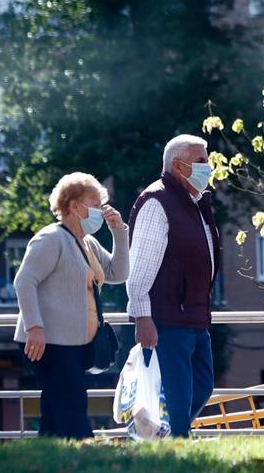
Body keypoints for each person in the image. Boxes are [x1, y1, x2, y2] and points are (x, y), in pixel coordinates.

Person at [14, 172, 129, 439]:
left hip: (76, 344)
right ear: (74, 206)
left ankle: (48, 456)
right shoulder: (51, 239)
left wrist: (119, 232)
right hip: (48, 342)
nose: (101, 210)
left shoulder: (87, 243)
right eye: (95, 203)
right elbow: (24, 281)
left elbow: (117, 273)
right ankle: (86, 457)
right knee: (74, 407)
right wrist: (34, 327)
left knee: (55, 416)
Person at [126, 134, 221, 438]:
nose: (209, 167)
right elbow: (140, 267)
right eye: (202, 161)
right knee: (178, 397)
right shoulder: (158, 201)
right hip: (167, 320)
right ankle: (175, 449)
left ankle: (159, 433)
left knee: (202, 386)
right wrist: (142, 317)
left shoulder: (194, 203)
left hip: (194, 318)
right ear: (179, 166)